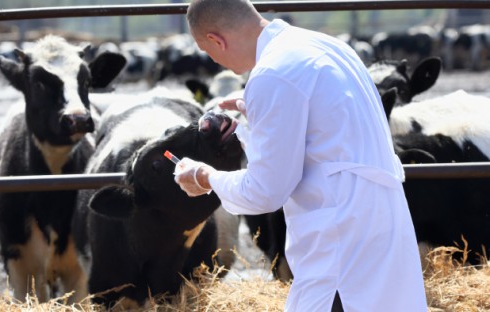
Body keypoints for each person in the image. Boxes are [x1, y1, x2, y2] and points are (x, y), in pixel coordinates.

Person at [174, 0, 428, 311]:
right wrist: (253, 111)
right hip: (381, 222)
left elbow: (265, 191)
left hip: (340, 239)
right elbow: (328, 122)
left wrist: (205, 177)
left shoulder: (271, 74)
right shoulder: (328, 46)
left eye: (207, 51)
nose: (213, 60)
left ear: (216, 40)